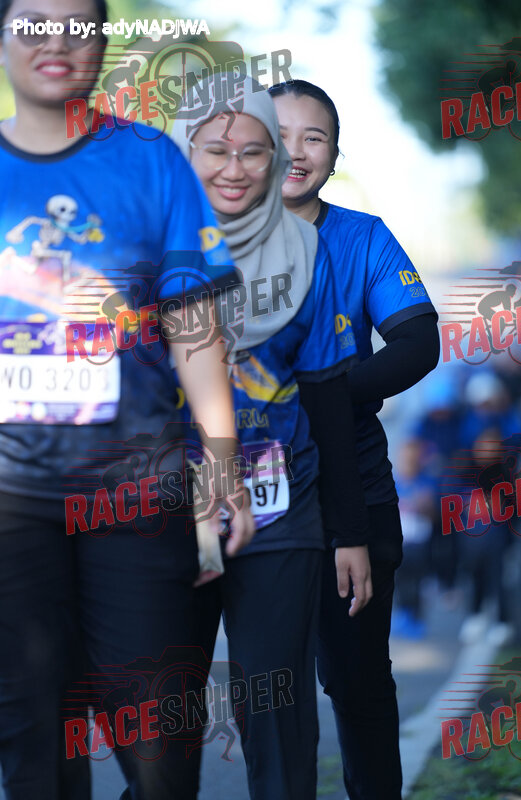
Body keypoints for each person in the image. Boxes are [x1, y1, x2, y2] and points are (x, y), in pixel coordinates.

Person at [0, 2, 254, 799]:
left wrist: (221, 462)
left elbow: (193, 329)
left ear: (103, 42)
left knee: (157, 741)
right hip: (9, 498)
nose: (56, 41)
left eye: (77, 25)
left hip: (135, 487)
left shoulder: (149, 159)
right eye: (33, 23)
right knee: (33, 736)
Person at [172, 75, 373, 800]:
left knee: (276, 706)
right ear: (185, 153)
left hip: (281, 510)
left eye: (254, 150)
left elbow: (327, 399)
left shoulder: (306, 252)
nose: (236, 166)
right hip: (165, 510)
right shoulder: (145, 247)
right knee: (160, 717)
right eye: (215, 149)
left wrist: (349, 532)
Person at [270, 79, 440, 800]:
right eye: (278, 134)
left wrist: (328, 395)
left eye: (313, 138)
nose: (295, 152)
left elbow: (417, 341)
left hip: (354, 491)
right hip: (252, 497)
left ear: (334, 156)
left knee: (357, 679)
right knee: (264, 685)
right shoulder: (207, 239)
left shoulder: (362, 237)